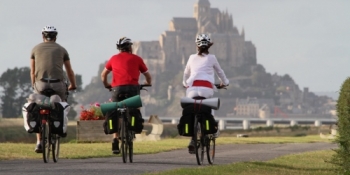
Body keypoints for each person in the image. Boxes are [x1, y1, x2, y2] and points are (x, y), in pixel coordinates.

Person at [101, 36, 152, 154]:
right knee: (135, 108)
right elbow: (148, 76)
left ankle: (115, 139)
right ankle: (132, 129)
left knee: (114, 109)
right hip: (132, 88)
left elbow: (103, 75)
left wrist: (107, 85)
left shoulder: (113, 58)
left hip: (117, 89)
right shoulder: (137, 59)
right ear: (130, 47)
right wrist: (148, 83)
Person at [30, 25, 77, 153]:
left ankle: (39, 141)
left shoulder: (35, 49)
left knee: (39, 107)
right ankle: (60, 127)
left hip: (40, 84)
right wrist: (73, 85)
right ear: (55, 37)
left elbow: (33, 72)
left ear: (42, 36)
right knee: (61, 103)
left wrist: (34, 85)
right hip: (57, 84)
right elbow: (69, 71)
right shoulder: (62, 50)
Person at [182, 33, 229, 154]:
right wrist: (225, 82)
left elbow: (185, 74)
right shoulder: (212, 58)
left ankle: (193, 139)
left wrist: (185, 83)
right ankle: (212, 130)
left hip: (191, 89)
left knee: (193, 109)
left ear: (196, 46)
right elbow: (220, 72)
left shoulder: (191, 57)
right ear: (209, 45)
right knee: (208, 106)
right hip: (206, 89)